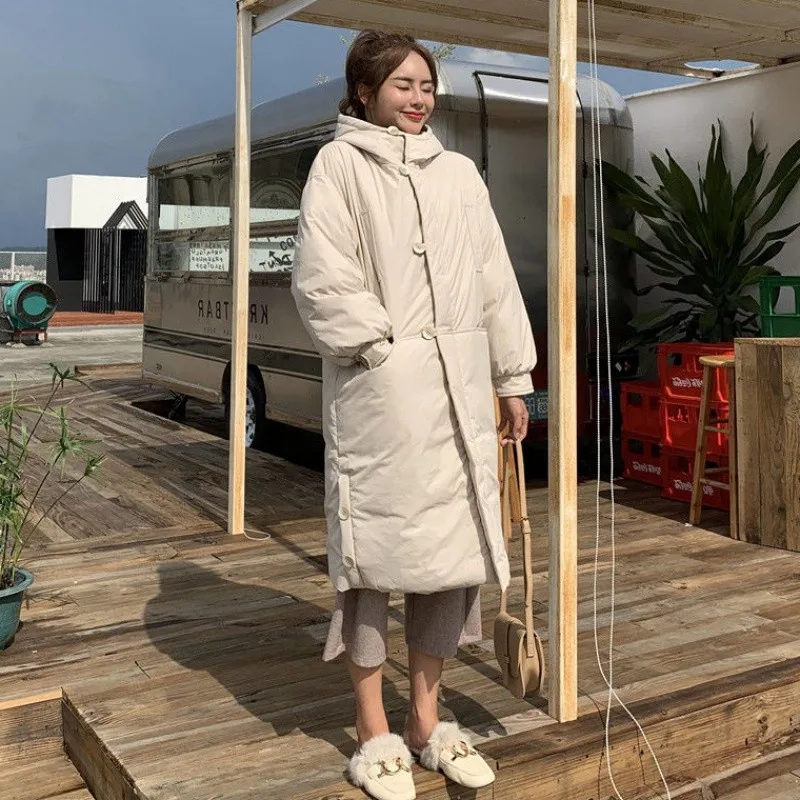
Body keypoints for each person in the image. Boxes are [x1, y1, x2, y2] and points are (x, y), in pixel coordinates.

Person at [292, 30, 536, 800]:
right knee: (371, 560)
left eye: (426, 85)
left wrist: (511, 377)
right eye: (402, 84)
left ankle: (426, 720)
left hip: (460, 394)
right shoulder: (339, 165)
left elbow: (493, 276)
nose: (419, 98)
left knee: (451, 563)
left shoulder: (459, 173)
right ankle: (374, 730)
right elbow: (321, 275)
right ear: (364, 91)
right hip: (383, 398)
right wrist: (382, 349)